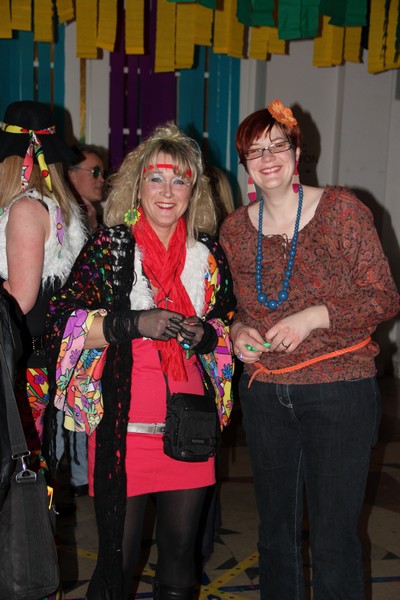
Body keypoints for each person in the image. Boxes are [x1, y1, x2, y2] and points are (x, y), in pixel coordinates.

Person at [219, 99, 400, 600]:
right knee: (274, 537)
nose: (268, 158)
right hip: (266, 394)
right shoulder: (234, 230)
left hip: (338, 390)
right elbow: (235, 309)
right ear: (245, 162)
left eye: (278, 145)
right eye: (255, 151)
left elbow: (383, 296)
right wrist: (238, 332)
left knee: (334, 540)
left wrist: (314, 316)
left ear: (297, 152)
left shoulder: (342, 210)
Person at [46, 122, 235, 600]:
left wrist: (206, 335)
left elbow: (226, 327)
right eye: (157, 178)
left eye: (180, 180)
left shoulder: (207, 256)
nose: (167, 192)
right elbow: (63, 324)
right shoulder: (110, 249)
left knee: (180, 559)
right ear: (137, 184)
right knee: (118, 563)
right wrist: (133, 323)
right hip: (123, 433)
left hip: (189, 431)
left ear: (194, 190)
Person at [0, 100, 86, 474]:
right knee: (29, 470)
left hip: (22, 366)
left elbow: (20, 297)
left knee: (18, 474)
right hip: (36, 361)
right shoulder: (53, 206)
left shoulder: (25, 210)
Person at [68, 143, 106, 231]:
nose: (102, 179)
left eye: (102, 173)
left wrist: (93, 226)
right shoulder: (61, 214)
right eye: (95, 172)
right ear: (72, 176)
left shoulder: (98, 216)